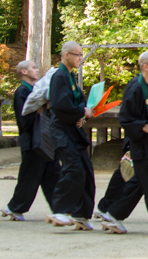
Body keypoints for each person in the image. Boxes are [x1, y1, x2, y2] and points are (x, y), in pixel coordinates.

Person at [100, 52, 148, 236]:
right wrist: (142, 127)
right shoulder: (135, 88)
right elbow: (125, 118)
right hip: (141, 145)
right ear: (145, 66)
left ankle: (113, 215)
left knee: (141, 184)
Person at [46, 41, 96, 230]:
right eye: (77, 54)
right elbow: (59, 105)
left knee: (86, 171)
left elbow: (77, 101)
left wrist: (81, 115)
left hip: (73, 130)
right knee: (73, 168)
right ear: (66, 55)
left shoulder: (70, 76)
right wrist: (81, 111)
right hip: (61, 131)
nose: (79, 58)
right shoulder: (59, 76)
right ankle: (59, 210)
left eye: (81, 55)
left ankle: (81, 215)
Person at [1, 60, 59, 221]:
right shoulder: (22, 91)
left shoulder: (35, 90)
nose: (36, 70)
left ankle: (60, 209)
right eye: (33, 67)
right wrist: (42, 107)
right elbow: (24, 119)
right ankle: (15, 208)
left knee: (52, 174)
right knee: (30, 176)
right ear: (24, 72)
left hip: (44, 139)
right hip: (33, 140)